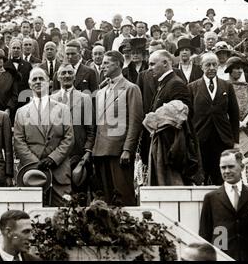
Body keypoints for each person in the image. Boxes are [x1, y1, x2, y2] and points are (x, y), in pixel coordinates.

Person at [199, 149, 248, 261]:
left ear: (242, 167)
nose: (227, 171)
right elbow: (204, 236)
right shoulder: (211, 198)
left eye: (231, 166)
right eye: (223, 167)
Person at [14, 68, 74, 206]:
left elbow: (69, 138)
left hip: (58, 172)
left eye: (41, 79)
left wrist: (53, 159)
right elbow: (19, 141)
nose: (38, 82)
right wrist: (35, 164)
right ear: (29, 84)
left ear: (49, 83)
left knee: (62, 215)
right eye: (34, 79)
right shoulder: (21, 113)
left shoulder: (62, 109)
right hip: (32, 174)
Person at [93, 51, 143, 206]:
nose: (102, 66)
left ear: (119, 64)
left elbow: (135, 121)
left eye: (107, 63)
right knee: (105, 199)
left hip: (119, 152)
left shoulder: (131, 88)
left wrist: (128, 149)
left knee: (124, 196)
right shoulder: (101, 92)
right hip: (100, 151)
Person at [145, 50, 202, 186]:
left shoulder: (175, 83)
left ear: (165, 63)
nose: (150, 68)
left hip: (171, 147)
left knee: (173, 186)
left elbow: (183, 114)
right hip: (164, 145)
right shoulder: (165, 83)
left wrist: (153, 119)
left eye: (153, 64)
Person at [188, 52, 240, 185]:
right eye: (208, 65)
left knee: (222, 177)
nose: (211, 68)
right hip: (201, 140)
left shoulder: (226, 86)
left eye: (214, 64)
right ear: (201, 67)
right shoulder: (192, 87)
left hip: (222, 139)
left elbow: (234, 114)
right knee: (201, 178)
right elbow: (189, 116)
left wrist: (235, 141)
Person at [51, 64, 95, 197]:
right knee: (60, 197)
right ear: (58, 77)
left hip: (78, 155)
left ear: (75, 76)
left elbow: (91, 129)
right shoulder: (50, 99)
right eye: (63, 73)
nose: (66, 76)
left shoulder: (84, 98)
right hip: (57, 155)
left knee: (79, 196)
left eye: (70, 72)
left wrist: (87, 152)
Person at [225, 57, 248, 156]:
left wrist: (244, 122)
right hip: (230, 128)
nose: (240, 71)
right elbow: (223, 108)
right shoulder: (224, 86)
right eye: (237, 68)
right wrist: (235, 122)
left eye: (241, 68)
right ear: (229, 69)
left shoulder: (247, 86)